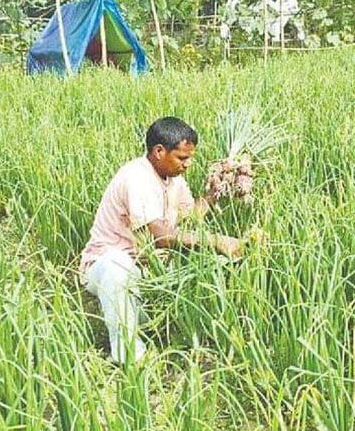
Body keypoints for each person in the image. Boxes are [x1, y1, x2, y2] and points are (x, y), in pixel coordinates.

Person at [79, 116, 243, 363]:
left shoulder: (173, 179)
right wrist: (219, 241)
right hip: (107, 267)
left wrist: (212, 195)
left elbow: (189, 217)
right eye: (182, 158)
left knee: (203, 268)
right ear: (158, 151)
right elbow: (162, 237)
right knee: (117, 267)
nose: (188, 164)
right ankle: (129, 357)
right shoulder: (137, 178)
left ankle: (156, 325)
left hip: (148, 269)